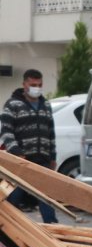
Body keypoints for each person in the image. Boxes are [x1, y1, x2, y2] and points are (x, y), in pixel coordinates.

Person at [1, 69, 58, 224]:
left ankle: (51, 226)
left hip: (42, 160)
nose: (36, 88)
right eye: (33, 84)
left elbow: (51, 133)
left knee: (45, 196)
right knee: (14, 195)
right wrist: (16, 152)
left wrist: (53, 156)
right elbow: (6, 132)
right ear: (24, 84)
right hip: (22, 160)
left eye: (39, 85)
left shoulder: (45, 105)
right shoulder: (13, 105)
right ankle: (6, 224)